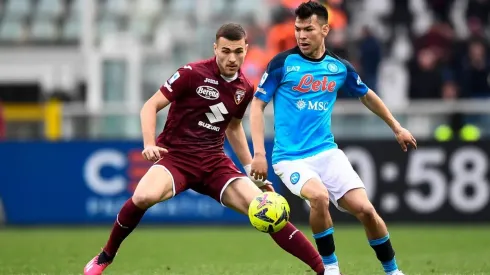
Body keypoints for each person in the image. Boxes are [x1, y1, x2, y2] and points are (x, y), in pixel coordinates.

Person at [83, 23, 326, 275]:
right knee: (143, 197)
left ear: (246, 50)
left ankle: (324, 270)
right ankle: (105, 256)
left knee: (267, 212)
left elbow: (233, 128)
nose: (232, 58)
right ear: (215, 48)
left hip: (213, 162)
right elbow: (150, 105)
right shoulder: (191, 73)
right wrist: (148, 143)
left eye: (238, 52)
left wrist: (251, 172)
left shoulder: (245, 87)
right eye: (226, 51)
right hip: (176, 157)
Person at [249, 2, 417, 275]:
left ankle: (393, 270)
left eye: (309, 29)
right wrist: (258, 153)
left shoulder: (339, 68)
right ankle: (331, 268)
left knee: (366, 211)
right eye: (298, 29)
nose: (301, 36)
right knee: (319, 196)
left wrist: (397, 127)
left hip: (327, 153)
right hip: (290, 159)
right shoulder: (282, 64)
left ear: (325, 29)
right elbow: (257, 106)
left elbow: (366, 94)